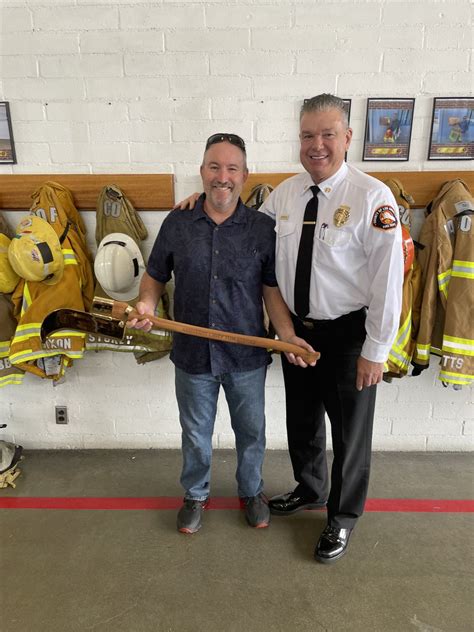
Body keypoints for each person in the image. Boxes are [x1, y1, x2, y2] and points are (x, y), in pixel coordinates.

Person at [176, 95, 404, 562]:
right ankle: (312, 488)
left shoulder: (372, 197)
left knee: (350, 433)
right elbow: (236, 214)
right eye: (307, 135)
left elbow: (388, 281)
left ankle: (341, 518)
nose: (316, 145)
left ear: (347, 138)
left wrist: (376, 350)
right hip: (294, 331)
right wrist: (200, 201)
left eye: (326, 135)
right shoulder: (286, 194)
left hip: (347, 334)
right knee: (302, 421)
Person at [129, 133, 315, 535]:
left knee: (251, 432)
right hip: (193, 357)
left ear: (245, 176)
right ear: (202, 172)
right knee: (195, 434)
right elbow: (155, 277)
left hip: (246, 359)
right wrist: (145, 305)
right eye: (214, 167)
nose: (222, 176)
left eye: (232, 168)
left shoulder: (263, 229)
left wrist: (286, 336)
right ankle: (195, 494)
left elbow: (271, 291)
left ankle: (251, 492)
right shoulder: (178, 223)